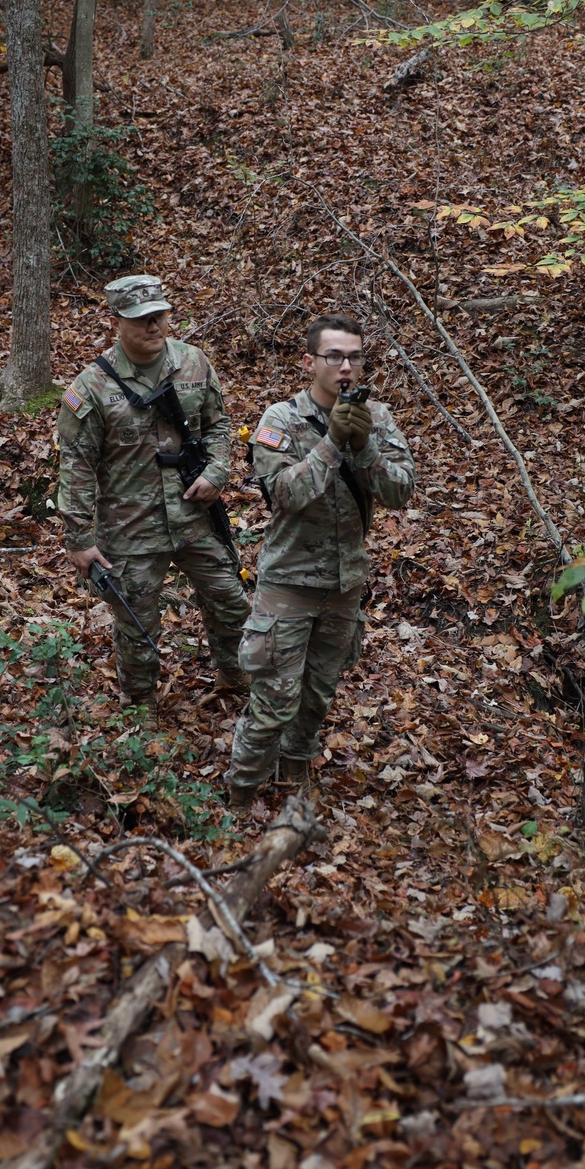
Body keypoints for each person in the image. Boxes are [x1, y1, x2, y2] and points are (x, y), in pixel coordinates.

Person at [225, 312, 415, 806]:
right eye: (334, 356)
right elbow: (285, 495)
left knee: (315, 698)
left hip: (343, 585)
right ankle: (241, 795)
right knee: (273, 702)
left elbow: (401, 493)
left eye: (354, 356)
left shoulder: (380, 419)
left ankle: (293, 777)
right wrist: (332, 443)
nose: (345, 367)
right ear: (310, 362)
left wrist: (364, 444)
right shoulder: (280, 420)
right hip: (288, 585)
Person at [56, 274, 250, 725]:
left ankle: (237, 675)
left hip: (196, 517)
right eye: (142, 319)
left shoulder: (194, 362)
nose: (154, 326)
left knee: (230, 600)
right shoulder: (90, 388)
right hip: (130, 528)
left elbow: (220, 426)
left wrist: (218, 472)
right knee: (137, 626)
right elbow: (77, 467)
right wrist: (79, 539)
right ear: (117, 322)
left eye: (159, 316)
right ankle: (139, 708)